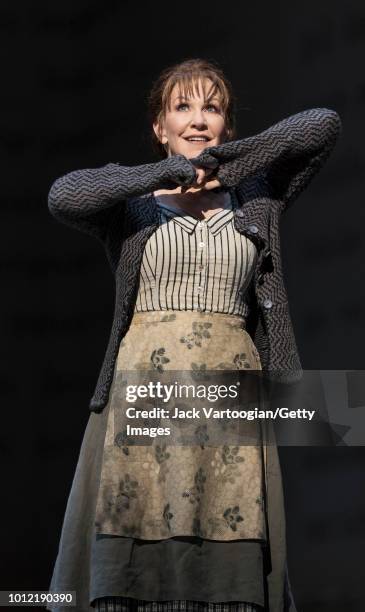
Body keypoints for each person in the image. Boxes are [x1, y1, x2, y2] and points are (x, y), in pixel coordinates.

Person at [46, 58, 341, 612]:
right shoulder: (131, 206)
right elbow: (64, 195)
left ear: (228, 125)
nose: (198, 119)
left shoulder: (255, 198)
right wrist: (159, 175)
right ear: (160, 127)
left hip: (229, 395)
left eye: (212, 107)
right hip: (145, 396)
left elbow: (321, 124)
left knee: (229, 556)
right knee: (133, 557)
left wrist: (221, 163)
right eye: (182, 107)